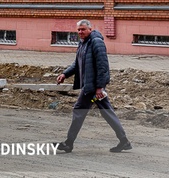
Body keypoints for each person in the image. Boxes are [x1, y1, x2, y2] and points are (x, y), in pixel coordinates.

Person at [55, 19, 132, 153]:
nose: (80, 32)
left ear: (90, 29)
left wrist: (99, 88)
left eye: (83, 29)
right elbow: (78, 63)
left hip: (93, 88)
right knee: (107, 113)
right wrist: (65, 74)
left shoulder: (96, 42)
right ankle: (124, 141)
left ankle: (69, 143)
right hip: (90, 86)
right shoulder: (83, 42)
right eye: (78, 30)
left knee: (79, 111)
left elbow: (103, 67)